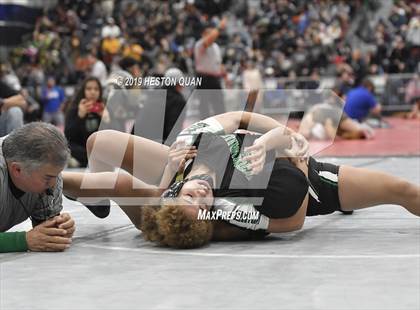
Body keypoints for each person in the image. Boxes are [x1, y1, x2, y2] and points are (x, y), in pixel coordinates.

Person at [62, 112, 419, 249]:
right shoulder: (229, 205)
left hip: (186, 181)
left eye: (189, 196)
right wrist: (285, 151)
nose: (199, 194)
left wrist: (170, 172)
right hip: (304, 183)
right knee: (400, 190)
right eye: (200, 202)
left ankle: (66, 185)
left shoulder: (185, 155)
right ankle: (67, 184)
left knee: (100, 144)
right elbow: (293, 220)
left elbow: (243, 116)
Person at [0, 122, 75, 253]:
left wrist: (58, 227)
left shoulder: (46, 172)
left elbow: (45, 229)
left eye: (57, 175)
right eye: (48, 178)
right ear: (17, 169)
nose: (53, 184)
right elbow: (28, 240)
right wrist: (23, 240)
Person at [64, 77, 110, 167]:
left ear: (100, 92)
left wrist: (106, 120)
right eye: (89, 89)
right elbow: (68, 136)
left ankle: (85, 161)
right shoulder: (74, 109)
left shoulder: (105, 108)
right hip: (82, 148)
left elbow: (115, 136)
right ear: (83, 91)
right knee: (67, 147)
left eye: (96, 89)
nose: (92, 92)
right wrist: (80, 116)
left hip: (98, 148)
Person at [194, 18, 227, 119]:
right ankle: (204, 131)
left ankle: (222, 127)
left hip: (214, 78)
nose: (213, 35)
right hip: (203, 78)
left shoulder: (216, 46)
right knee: (204, 106)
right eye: (209, 33)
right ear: (203, 34)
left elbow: (217, 62)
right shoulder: (200, 44)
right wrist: (219, 27)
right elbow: (209, 40)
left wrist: (224, 74)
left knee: (219, 105)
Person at [300, 102, 374, 140]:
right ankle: (362, 129)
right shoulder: (314, 124)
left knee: (355, 129)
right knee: (346, 133)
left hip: (333, 115)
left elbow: (331, 134)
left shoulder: (315, 117)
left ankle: (364, 128)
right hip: (330, 117)